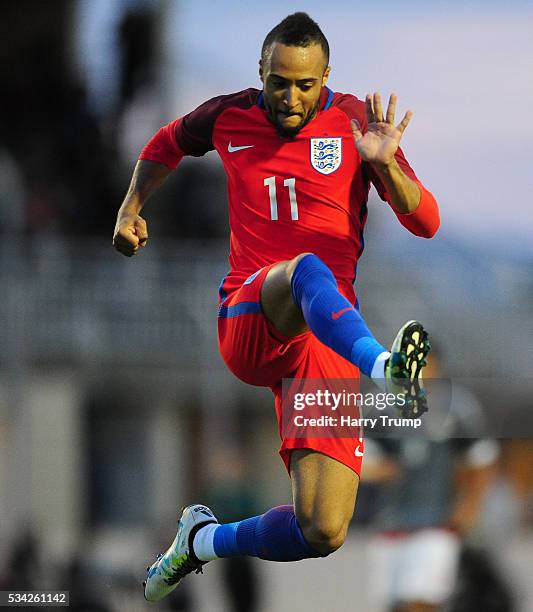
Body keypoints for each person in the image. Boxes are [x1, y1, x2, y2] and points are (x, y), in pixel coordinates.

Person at [112, 12, 439, 603]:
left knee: (323, 527)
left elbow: (427, 222)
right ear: (260, 71)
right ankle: (386, 368)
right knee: (307, 269)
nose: (290, 97)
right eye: (279, 82)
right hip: (253, 316)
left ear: (327, 77)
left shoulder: (357, 125)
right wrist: (130, 207)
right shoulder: (228, 115)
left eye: (305, 85)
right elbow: (165, 145)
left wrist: (386, 163)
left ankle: (203, 540)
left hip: (326, 339)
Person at [362, 347, 500, 612]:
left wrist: (470, 505)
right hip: (389, 522)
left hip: (436, 522)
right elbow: (359, 460)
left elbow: (481, 459)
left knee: (423, 601)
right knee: (391, 604)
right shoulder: (381, 406)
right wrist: (380, 469)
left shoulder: (456, 408)